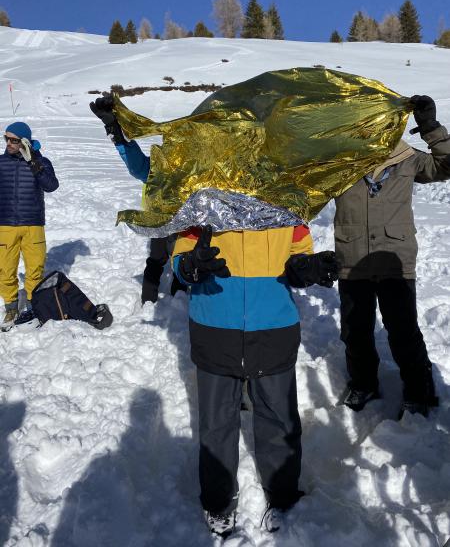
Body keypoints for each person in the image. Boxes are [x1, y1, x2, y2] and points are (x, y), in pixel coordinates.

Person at [171, 224, 339, 537]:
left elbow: (298, 256)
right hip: (215, 326)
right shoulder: (204, 203)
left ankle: (283, 494)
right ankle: (218, 501)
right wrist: (191, 265)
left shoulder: (285, 204)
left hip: (273, 326)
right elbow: (179, 261)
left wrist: (306, 268)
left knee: (280, 418)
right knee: (216, 422)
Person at [335, 95, 450, 418]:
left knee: (403, 330)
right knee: (355, 331)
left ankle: (419, 390)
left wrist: (430, 127)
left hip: (394, 258)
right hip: (352, 257)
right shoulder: (339, 162)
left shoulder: (408, 158)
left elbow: (446, 165)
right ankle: (363, 383)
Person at [89, 95, 185, 303]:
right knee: (157, 260)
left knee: (182, 262)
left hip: (185, 223)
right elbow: (136, 165)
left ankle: (179, 303)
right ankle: (148, 302)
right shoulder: (156, 167)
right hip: (159, 220)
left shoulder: (192, 169)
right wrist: (114, 129)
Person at [0, 122, 59, 330]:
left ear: (25, 141)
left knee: (35, 270)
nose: (8, 143)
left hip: (33, 224)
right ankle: (11, 308)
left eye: (14, 140)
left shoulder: (41, 162)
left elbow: (51, 186)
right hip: (5, 225)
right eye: (6, 138)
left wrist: (34, 163)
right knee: (5, 270)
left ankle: (34, 308)